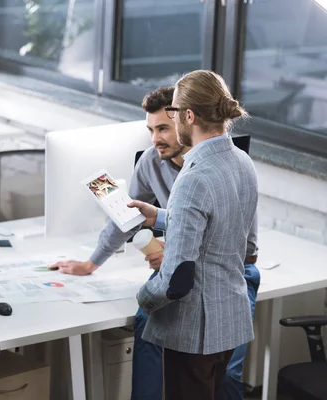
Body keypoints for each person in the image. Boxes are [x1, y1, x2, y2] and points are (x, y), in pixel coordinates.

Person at [50, 86, 260, 400]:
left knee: (225, 374)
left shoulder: (214, 170)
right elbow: (127, 216)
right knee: (147, 327)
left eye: (163, 128)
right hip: (185, 269)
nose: (155, 138)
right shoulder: (151, 162)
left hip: (226, 273)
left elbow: (241, 247)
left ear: (184, 120)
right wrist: (91, 262)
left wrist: (179, 254)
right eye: (150, 130)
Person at [128, 70, 258, 400]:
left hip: (194, 331)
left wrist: (145, 296)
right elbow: (229, 230)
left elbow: (177, 279)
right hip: (230, 320)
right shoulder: (242, 162)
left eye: (173, 112)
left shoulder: (193, 177)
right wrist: (158, 216)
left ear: (188, 115)